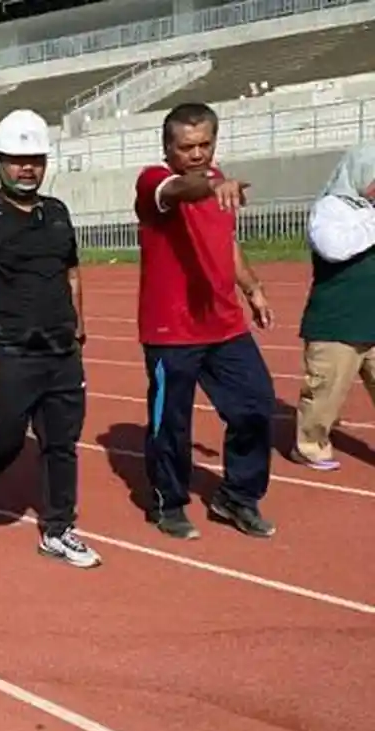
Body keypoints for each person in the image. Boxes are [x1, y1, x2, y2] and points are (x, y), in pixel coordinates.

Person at [0, 109, 100, 569]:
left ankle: (58, 529)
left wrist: (79, 322)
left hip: (61, 351)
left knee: (61, 444)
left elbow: (71, 271)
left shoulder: (57, 213)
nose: (26, 168)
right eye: (16, 159)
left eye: (34, 159)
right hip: (9, 351)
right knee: (4, 440)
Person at [134, 101, 276, 540]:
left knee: (256, 405)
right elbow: (180, 191)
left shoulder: (219, 184)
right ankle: (169, 503)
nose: (197, 154)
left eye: (205, 145)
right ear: (168, 148)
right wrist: (206, 186)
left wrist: (251, 288)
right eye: (186, 146)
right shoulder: (154, 182)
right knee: (171, 422)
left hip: (224, 324)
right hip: (170, 330)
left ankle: (238, 496)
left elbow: (226, 243)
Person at [295, 144, 375, 470]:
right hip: (337, 321)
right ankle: (309, 445)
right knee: (324, 393)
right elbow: (334, 248)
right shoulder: (331, 208)